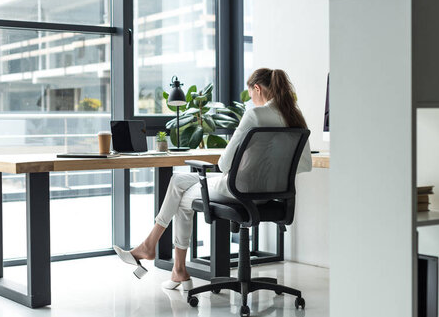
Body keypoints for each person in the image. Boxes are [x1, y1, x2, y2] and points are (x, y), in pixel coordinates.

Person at [113, 68, 312, 290]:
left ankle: (153, 249)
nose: (252, 101)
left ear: (257, 89)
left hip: (238, 192)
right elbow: (305, 164)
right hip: (271, 197)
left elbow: (224, 164)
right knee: (181, 188)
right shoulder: (295, 117)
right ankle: (176, 268)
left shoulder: (255, 115)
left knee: (179, 187)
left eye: (252, 95)